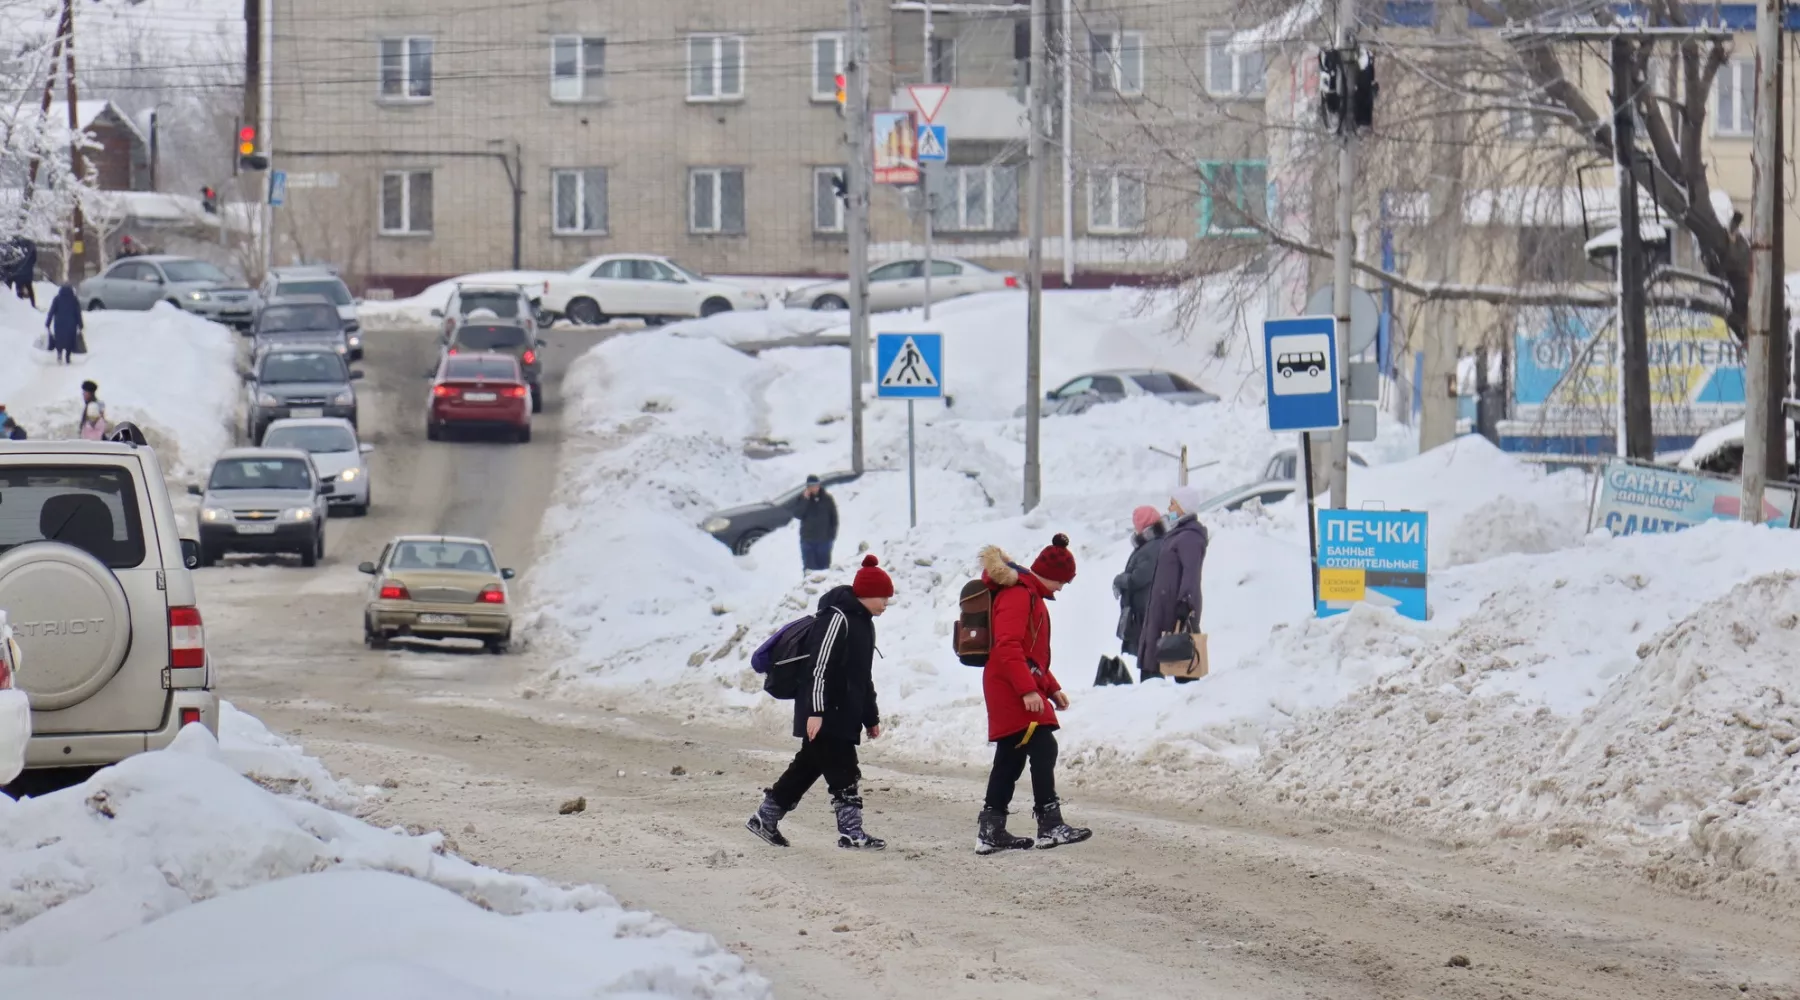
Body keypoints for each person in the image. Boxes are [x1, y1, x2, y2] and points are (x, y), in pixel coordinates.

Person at [746, 554, 893, 851]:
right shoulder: (835, 619)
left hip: (843, 714)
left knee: (807, 767)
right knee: (844, 770)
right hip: (826, 713)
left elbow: (863, 677)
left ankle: (765, 818)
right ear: (866, 594)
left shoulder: (865, 624)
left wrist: (871, 717)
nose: (886, 602)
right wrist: (815, 712)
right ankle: (851, 833)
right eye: (883, 596)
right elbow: (818, 668)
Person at [974, 534, 1092, 854]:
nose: (1062, 588)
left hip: (1013, 682)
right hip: (1010, 685)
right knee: (1043, 746)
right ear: (1049, 574)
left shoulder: (1030, 595)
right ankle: (1050, 826)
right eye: (1062, 581)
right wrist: (1028, 690)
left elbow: (1031, 656)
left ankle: (991, 830)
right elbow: (1009, 646)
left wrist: (1051, 688)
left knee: (1011, 757)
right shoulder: (1019, 594)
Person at [1137, 485, 1209, 682]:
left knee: (1180, 658)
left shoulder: (1190, 537)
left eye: (1172, 504)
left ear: (1184, 507)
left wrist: (1186, 602)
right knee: (1156, 657)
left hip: (1175, 607)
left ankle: (1183, 695)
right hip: (1162, 605)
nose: (1168, 509)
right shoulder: (1177, 533)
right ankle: (1151, 687)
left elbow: (1191, 573)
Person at [1112, 505, 1168, 683]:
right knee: (1148, 655)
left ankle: (1152, 691)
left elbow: (1139, 578)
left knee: (1150, 657)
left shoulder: (1152, 547)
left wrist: (1120, 580)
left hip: (1147, 610)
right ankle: (1151, 688)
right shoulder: (1155, 544)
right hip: (1148, 608)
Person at [789, 474, 839, 573]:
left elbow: (834, 518)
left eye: (815, 485)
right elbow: (797, 514)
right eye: (811, 486)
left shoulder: (827, 499)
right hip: (808, 541)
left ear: (819, 485)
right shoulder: (802, 499)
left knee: (824, 570)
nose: (813, 488)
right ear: (807, 487)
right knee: (809, 570)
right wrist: (805, 499)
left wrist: (831, 536)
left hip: (824, 541)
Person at [46, 283, 83, 365]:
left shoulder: (57, 299)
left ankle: (59, 354)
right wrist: (80, 324)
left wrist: (47, 323)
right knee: (69, 341)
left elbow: (51, 312)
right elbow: (78, 313)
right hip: (71, 325)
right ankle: (67, 356)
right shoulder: (74, 299)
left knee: (60, 340)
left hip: (59, 325)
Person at [8, 237, 37, 306]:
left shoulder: (14, 244)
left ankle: (20, 305)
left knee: (18, 288)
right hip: (28, 273)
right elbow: (34, 259)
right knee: (29, 287)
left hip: (18, 272)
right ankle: (33, 304)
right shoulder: (31, 245)